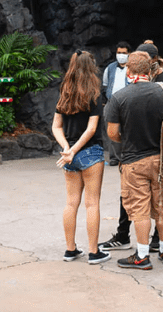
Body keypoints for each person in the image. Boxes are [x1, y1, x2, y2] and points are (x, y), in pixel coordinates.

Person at [104, 52, 163, 270]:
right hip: (161, 160)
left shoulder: (119, 97)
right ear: (150, 69)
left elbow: (113, 133)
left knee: (140, 210)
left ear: (128, 70)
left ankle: (142, 256)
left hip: (134, 161)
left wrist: (128, 137)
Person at [53, 51, 110, 264]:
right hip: (90, 152)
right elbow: (91, 128)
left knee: (71, 203)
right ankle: (94, 252)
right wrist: (74, 149)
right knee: (92, 203)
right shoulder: (94, 93)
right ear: (91, 66)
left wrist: (67, 148)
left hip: (70, 156)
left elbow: (56, 126)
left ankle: (70, 250)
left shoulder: (64, 92)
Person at [101, 41, 132, 166]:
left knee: (128, 129)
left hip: (128, 102)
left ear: (129, 54)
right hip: (111, 102)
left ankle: (127, 156)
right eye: (119, 53)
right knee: (111, 130)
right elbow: (105, 85)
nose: (121, 55)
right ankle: (114, 157)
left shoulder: (132, 67)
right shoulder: (110, 68)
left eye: (124, 53)